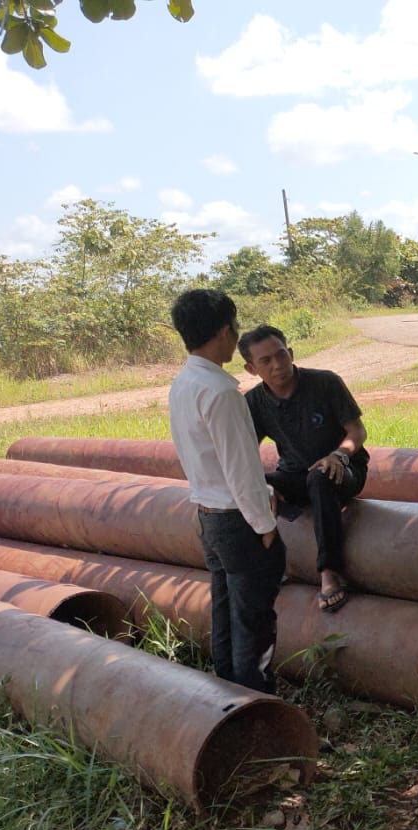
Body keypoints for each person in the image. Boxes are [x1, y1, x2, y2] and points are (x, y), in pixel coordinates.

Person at [166, 288, 285, 693]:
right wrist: (264, 524)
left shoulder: (183, 384)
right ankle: (257, 702)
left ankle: (226, 699)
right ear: (222, 332)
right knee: (253, 620)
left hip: (208, 515)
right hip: (238, 520)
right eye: (234, 327)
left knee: (225, 612)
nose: (236, 335)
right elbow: (242, 468)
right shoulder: (221, 393)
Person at [238, 324, 369, 613]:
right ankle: (268, 566)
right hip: (295, 475)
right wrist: (264, 487)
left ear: (291, 353)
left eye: (281, 355)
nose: (277, 365)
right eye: (266, 361)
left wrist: (339, 455)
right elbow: (245, 454)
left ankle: (330, 572)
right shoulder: (254, 402)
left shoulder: (325, 383)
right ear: (251, 369)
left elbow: (357, 432)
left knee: (320, 477)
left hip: (342, 470)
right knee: (246, 486)